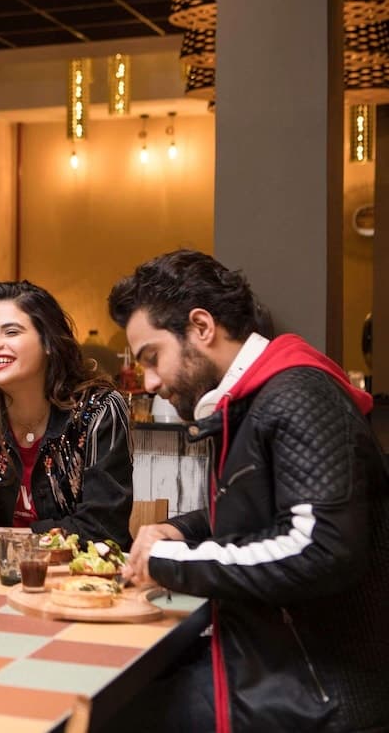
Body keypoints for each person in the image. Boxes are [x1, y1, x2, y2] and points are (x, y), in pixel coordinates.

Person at [106, 249, 389, 733]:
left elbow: (320, 548)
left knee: (102, 711)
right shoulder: (254, 399)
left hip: (316, 693)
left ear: (201, 327)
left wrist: (170, 561)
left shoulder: (298, 394)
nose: (149, 382)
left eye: (153, 358)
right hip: (276, 665)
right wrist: (181, 530)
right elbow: (261, 513)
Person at [0, 281, 133, 546]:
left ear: (48, 342)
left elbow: (102, 528)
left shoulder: (97, 410)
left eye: (11, 332)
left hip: (74, 568)